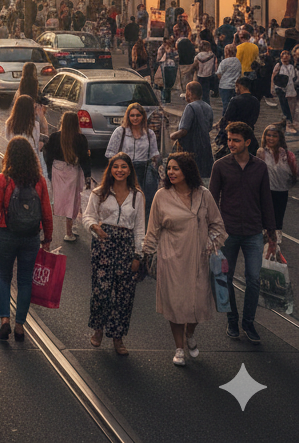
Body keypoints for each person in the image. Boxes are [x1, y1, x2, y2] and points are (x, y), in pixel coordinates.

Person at [142, 152, 227, 365]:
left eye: (175, 168)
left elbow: (217, 224)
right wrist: (145, 255)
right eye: (168, 168)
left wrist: (211, 242)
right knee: (176, 306)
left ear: (187, 170)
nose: (170, 172)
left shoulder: (204, 195)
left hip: (198, 259)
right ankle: (179, 347)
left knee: (198, 305)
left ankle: (190, 333)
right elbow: (152, 229)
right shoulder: (161, 196)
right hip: (171, 259)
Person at [208, 121, 277, 344]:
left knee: (254, 279)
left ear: (248, 142)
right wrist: (212, 231)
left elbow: (266, 200)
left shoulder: (259, 167)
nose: (231, 144)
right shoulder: (220, 166)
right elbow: (212, 200)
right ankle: (232, 320)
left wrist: (272, 233)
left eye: (236, 140)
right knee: (225, 278)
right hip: (227, 233)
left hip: (254, 232)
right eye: (229, 139)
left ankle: (248, 322)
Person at [0, 137, 53, 342]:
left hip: (7, 233)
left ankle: (5, 320)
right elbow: (47, 212)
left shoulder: (3, 179)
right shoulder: (39, 181)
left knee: (4, 277)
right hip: (31, 236)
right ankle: (20, 325)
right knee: (24, 281)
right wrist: (47, 237)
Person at [82, 153, 145, 354]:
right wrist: (94, 227)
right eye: (116, 166)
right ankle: (98, 329)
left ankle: (118, 337)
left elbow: (140, 228)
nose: (119, 170)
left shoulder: (138, 196)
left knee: (124, 296)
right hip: (103, 245)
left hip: (126, 247)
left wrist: (138, 255)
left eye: (123, 167)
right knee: (101, 291)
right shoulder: (99, 193)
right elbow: (87, 216)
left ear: (129, 170)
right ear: (110, 170)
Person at [43, 111, 92, 241]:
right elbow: (85, 160)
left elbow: (48, 156)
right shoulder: (81, 139)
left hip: (57, 170)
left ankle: (69, 229)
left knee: (61, 200)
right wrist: (88, 177)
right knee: (72, 201)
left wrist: (49, 172)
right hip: (72, 171)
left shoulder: (54, 137)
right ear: (76, 123)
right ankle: (69, 232)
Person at [106, 102, 161, 208]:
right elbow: (110, 153)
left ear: (143, 117)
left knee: (145, 201)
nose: (135, 118)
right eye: (132, 115)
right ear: (128, 116)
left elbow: (154, 153)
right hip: (125, 169)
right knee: (127, 201)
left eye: (138, 115)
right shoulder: (120, 132)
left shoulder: (150, 134)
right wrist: (117, 169)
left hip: (144, 170)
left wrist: (157, 164)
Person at [170, 83, 214, 179]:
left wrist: (172, 135)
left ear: (189, 93)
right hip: (205, 148)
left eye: (186, 92)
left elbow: (183, 131)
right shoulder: (208, 107)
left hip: (191, 149)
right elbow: (209, 128)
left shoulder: (190, 107)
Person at [257, 124, 297, 232]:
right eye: (268, 135)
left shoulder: (288, 155)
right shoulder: (262, 153)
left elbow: (294, 172)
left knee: (278, 219)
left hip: (282, 191)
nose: (270, 138)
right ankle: (266, 240)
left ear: (280, 137)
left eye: (274, 136)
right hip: (266, 191)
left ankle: (275, 242)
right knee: (265, 219)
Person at [217, 73, 260, 155]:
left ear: (240, 86)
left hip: (235, 133)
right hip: (249, 133)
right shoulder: (255, 101)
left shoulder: (235, 100)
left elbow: (227, 118)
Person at [270, 49, 298, 134]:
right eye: (283, 54)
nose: (285, 56)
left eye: (287, 54)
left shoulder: (292, 66)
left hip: (290, 88)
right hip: (281, 89)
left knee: (291, 107)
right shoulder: (279, 65)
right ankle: (288, 125)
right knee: (284, 106)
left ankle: (289, 122)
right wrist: (272, 88)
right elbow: (273, 76)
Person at [156, 37, 178, 107]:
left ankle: (168, 98)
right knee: (165, 83)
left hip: (171, 66)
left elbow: (176, 56)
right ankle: (164, 98)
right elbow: (159, 58)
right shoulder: (161, 49)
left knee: (170, 82)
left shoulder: (172, 49)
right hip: (164, 66)